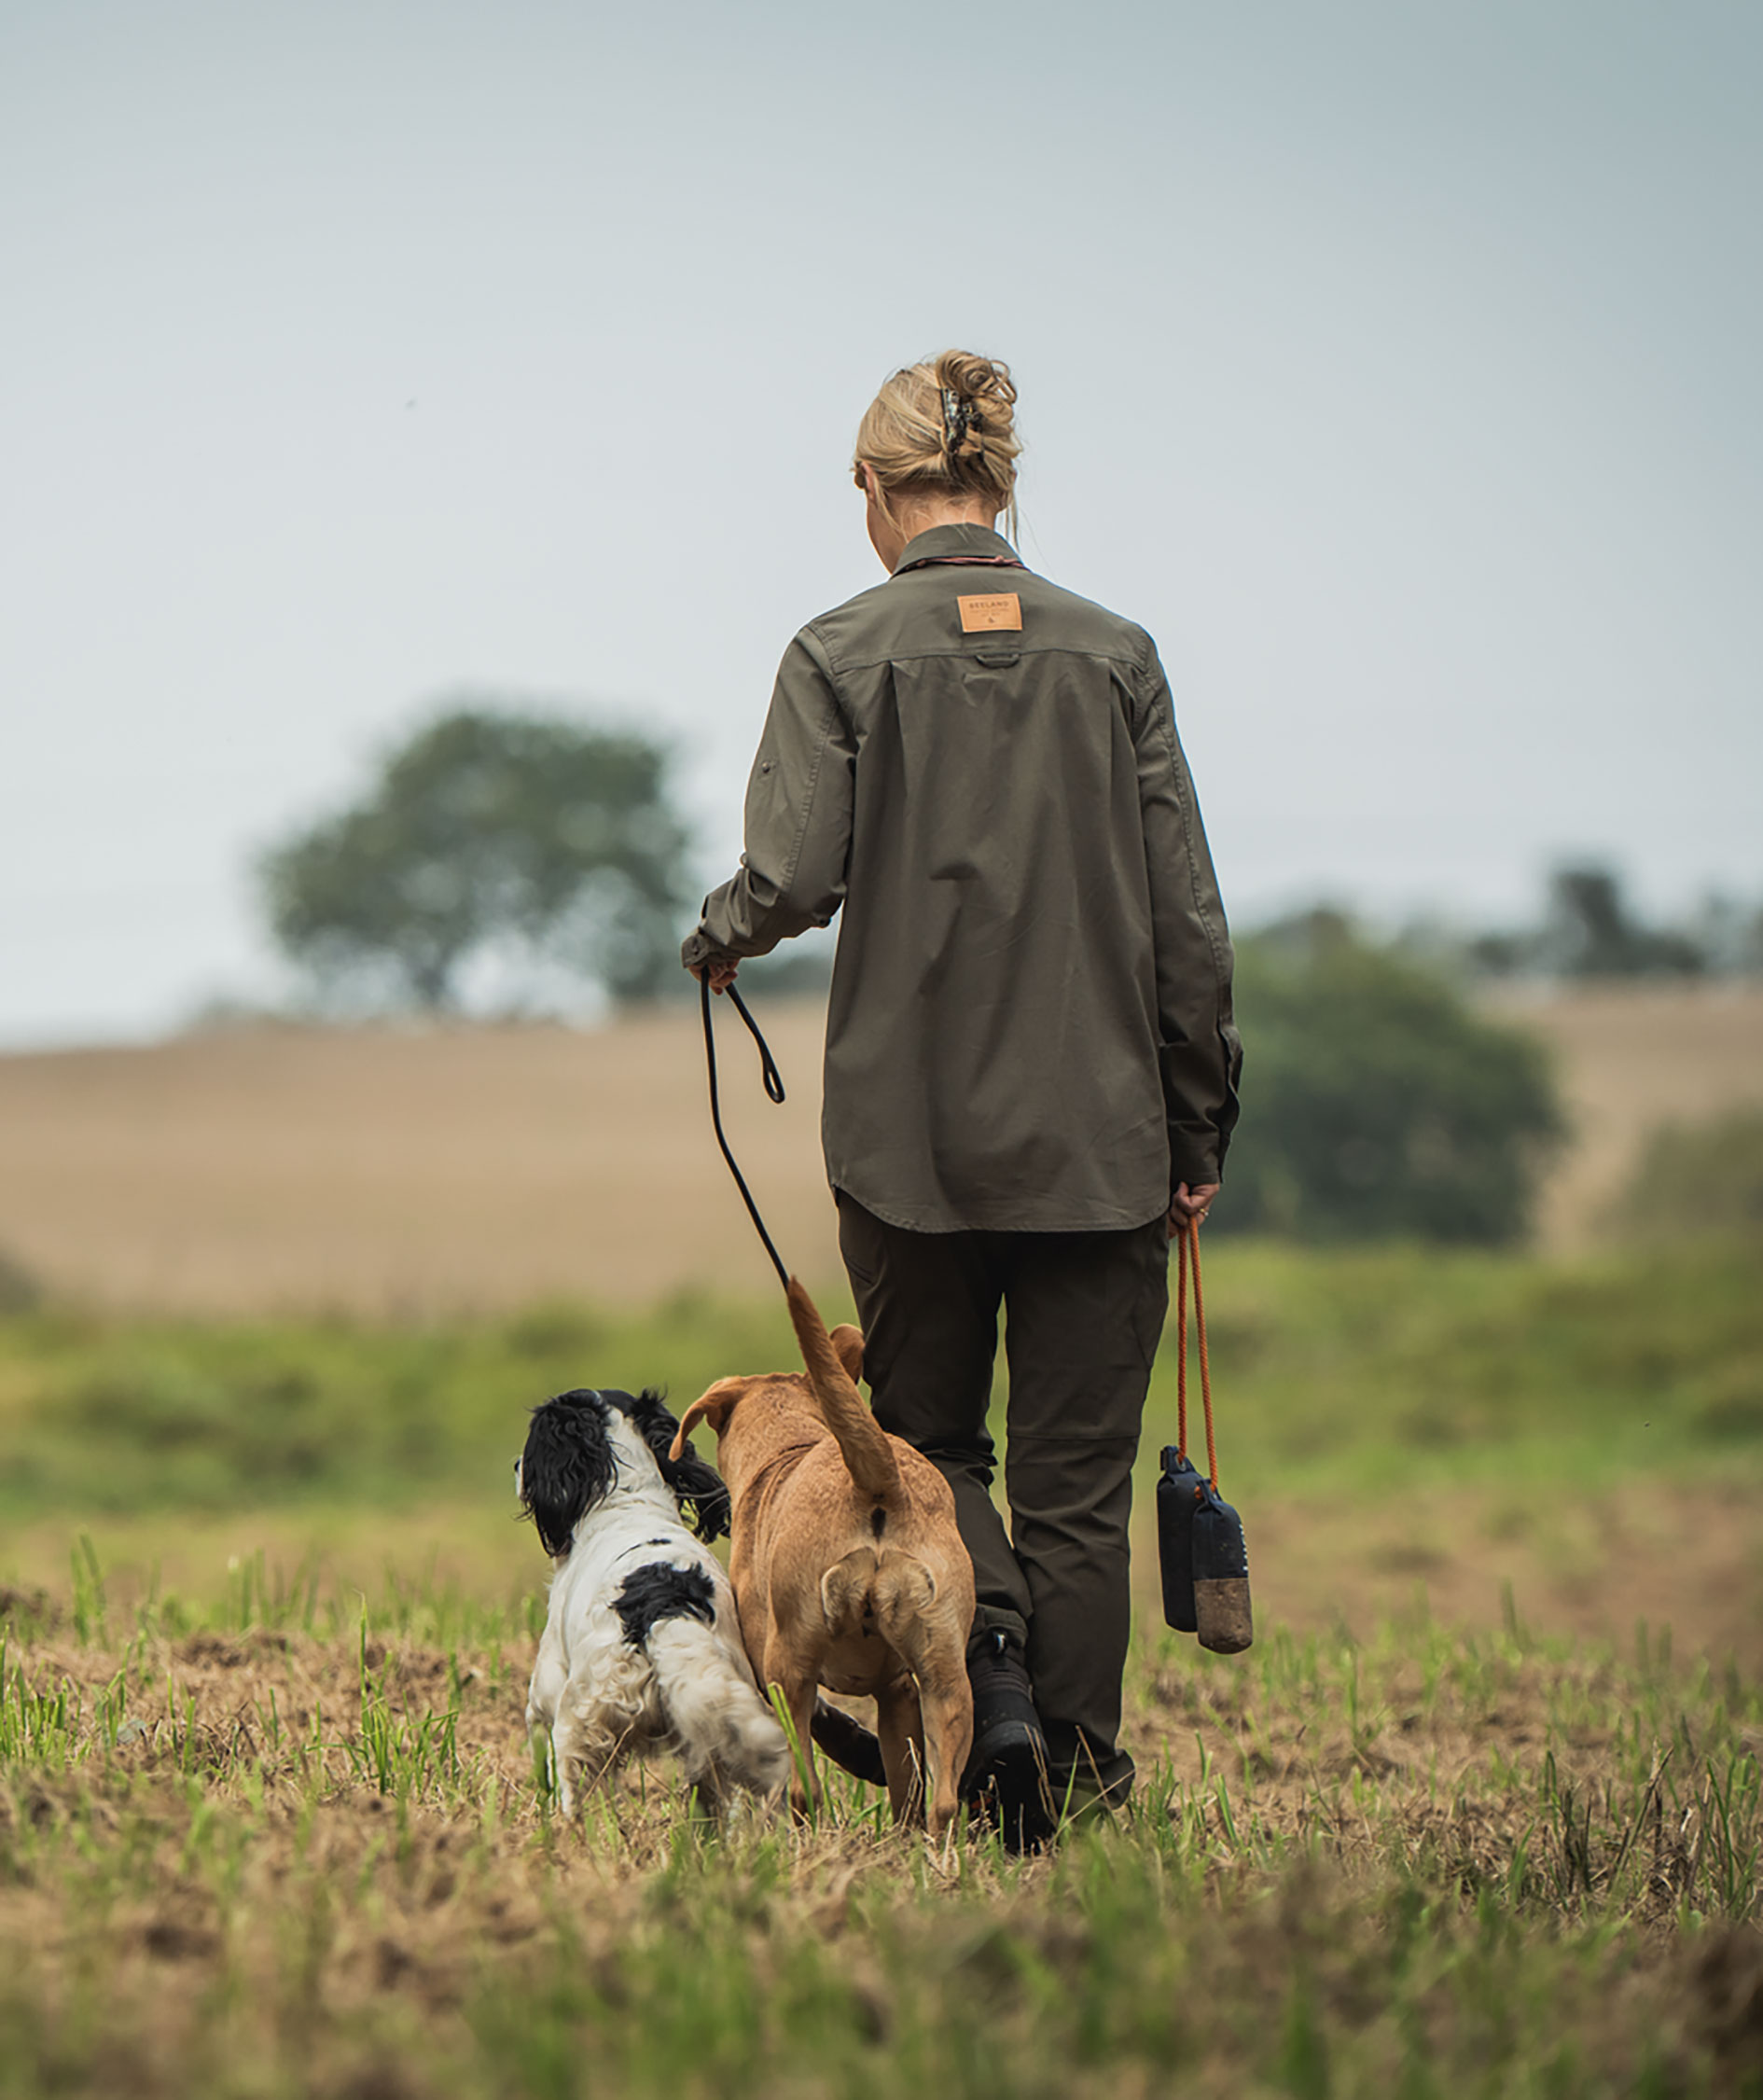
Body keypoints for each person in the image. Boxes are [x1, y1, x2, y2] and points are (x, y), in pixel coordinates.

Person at [682, 351, 1241, 1842]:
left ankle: (986, 1691)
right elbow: (1187, 921)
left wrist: (717, 936)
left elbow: (789, 875)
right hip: (1104, 1146)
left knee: (931, 1454)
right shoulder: (1115, 655)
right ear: (1000, 486)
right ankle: (1069, 1775)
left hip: (905, 1153)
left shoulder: (836, 650)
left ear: (874, 491)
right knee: (1077, 1489)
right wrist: (1194, 1126)